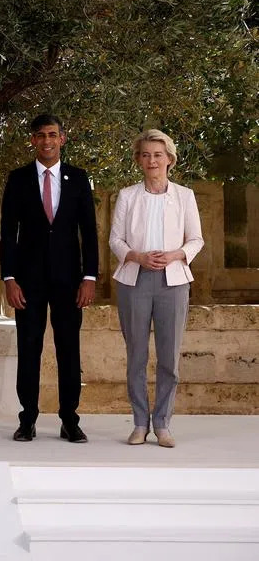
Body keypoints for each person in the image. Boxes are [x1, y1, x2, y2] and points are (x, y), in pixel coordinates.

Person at [0, 114, 98, 444]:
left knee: (69, 349)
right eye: (40, 135)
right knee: (29, 348)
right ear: (32, 140)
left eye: (52, 135)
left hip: (70, 281)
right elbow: (7, 234)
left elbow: (89, 233)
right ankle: (27, 419)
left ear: (62, 138)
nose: (46, 141)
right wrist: (9, 278)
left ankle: (70, 419)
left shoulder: (79, 178)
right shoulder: (18, 179)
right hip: (27, 281)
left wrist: (89, 277)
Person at [109, 129, 203, 448]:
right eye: (146, 155)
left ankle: (162, 423)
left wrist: (177, 254)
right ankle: (139, 423)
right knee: (136, 355)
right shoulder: (127, 196)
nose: (152, 160)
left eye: (158, 155)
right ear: (138, 160)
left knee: (168, 358)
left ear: (170, 160)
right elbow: (115, 240)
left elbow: (196, 239)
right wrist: (136, 256)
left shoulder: (185, 196)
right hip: (134, 280)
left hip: (173, 282)